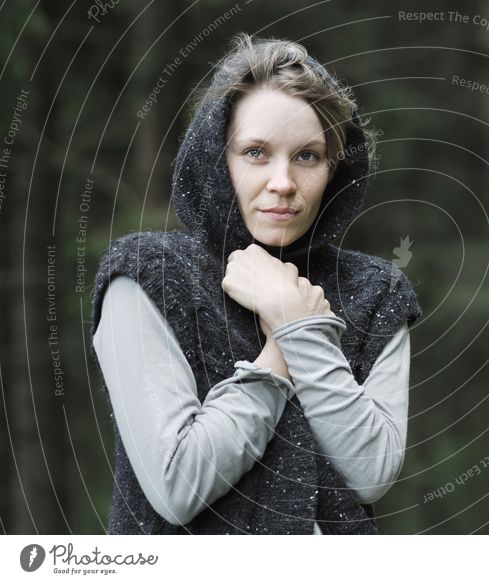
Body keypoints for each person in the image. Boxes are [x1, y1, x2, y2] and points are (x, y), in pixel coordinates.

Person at [89, 34, 422, 535]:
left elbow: (371, 472)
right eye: (256, 152)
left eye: (307, 156)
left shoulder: (375, 291)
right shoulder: (148, 275)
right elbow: (178, 487)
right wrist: (283, 350)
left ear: (335, 168)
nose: (283, 181)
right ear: (216, 158)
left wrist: (297, 321)